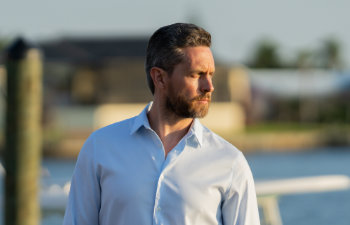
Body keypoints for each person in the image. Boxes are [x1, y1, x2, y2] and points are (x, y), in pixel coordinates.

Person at [63, 23, 260, 225]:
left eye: (210, 75)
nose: (209, 87)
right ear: (159, 77)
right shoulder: (100, 148)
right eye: (196, 75)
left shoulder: (230, 162)